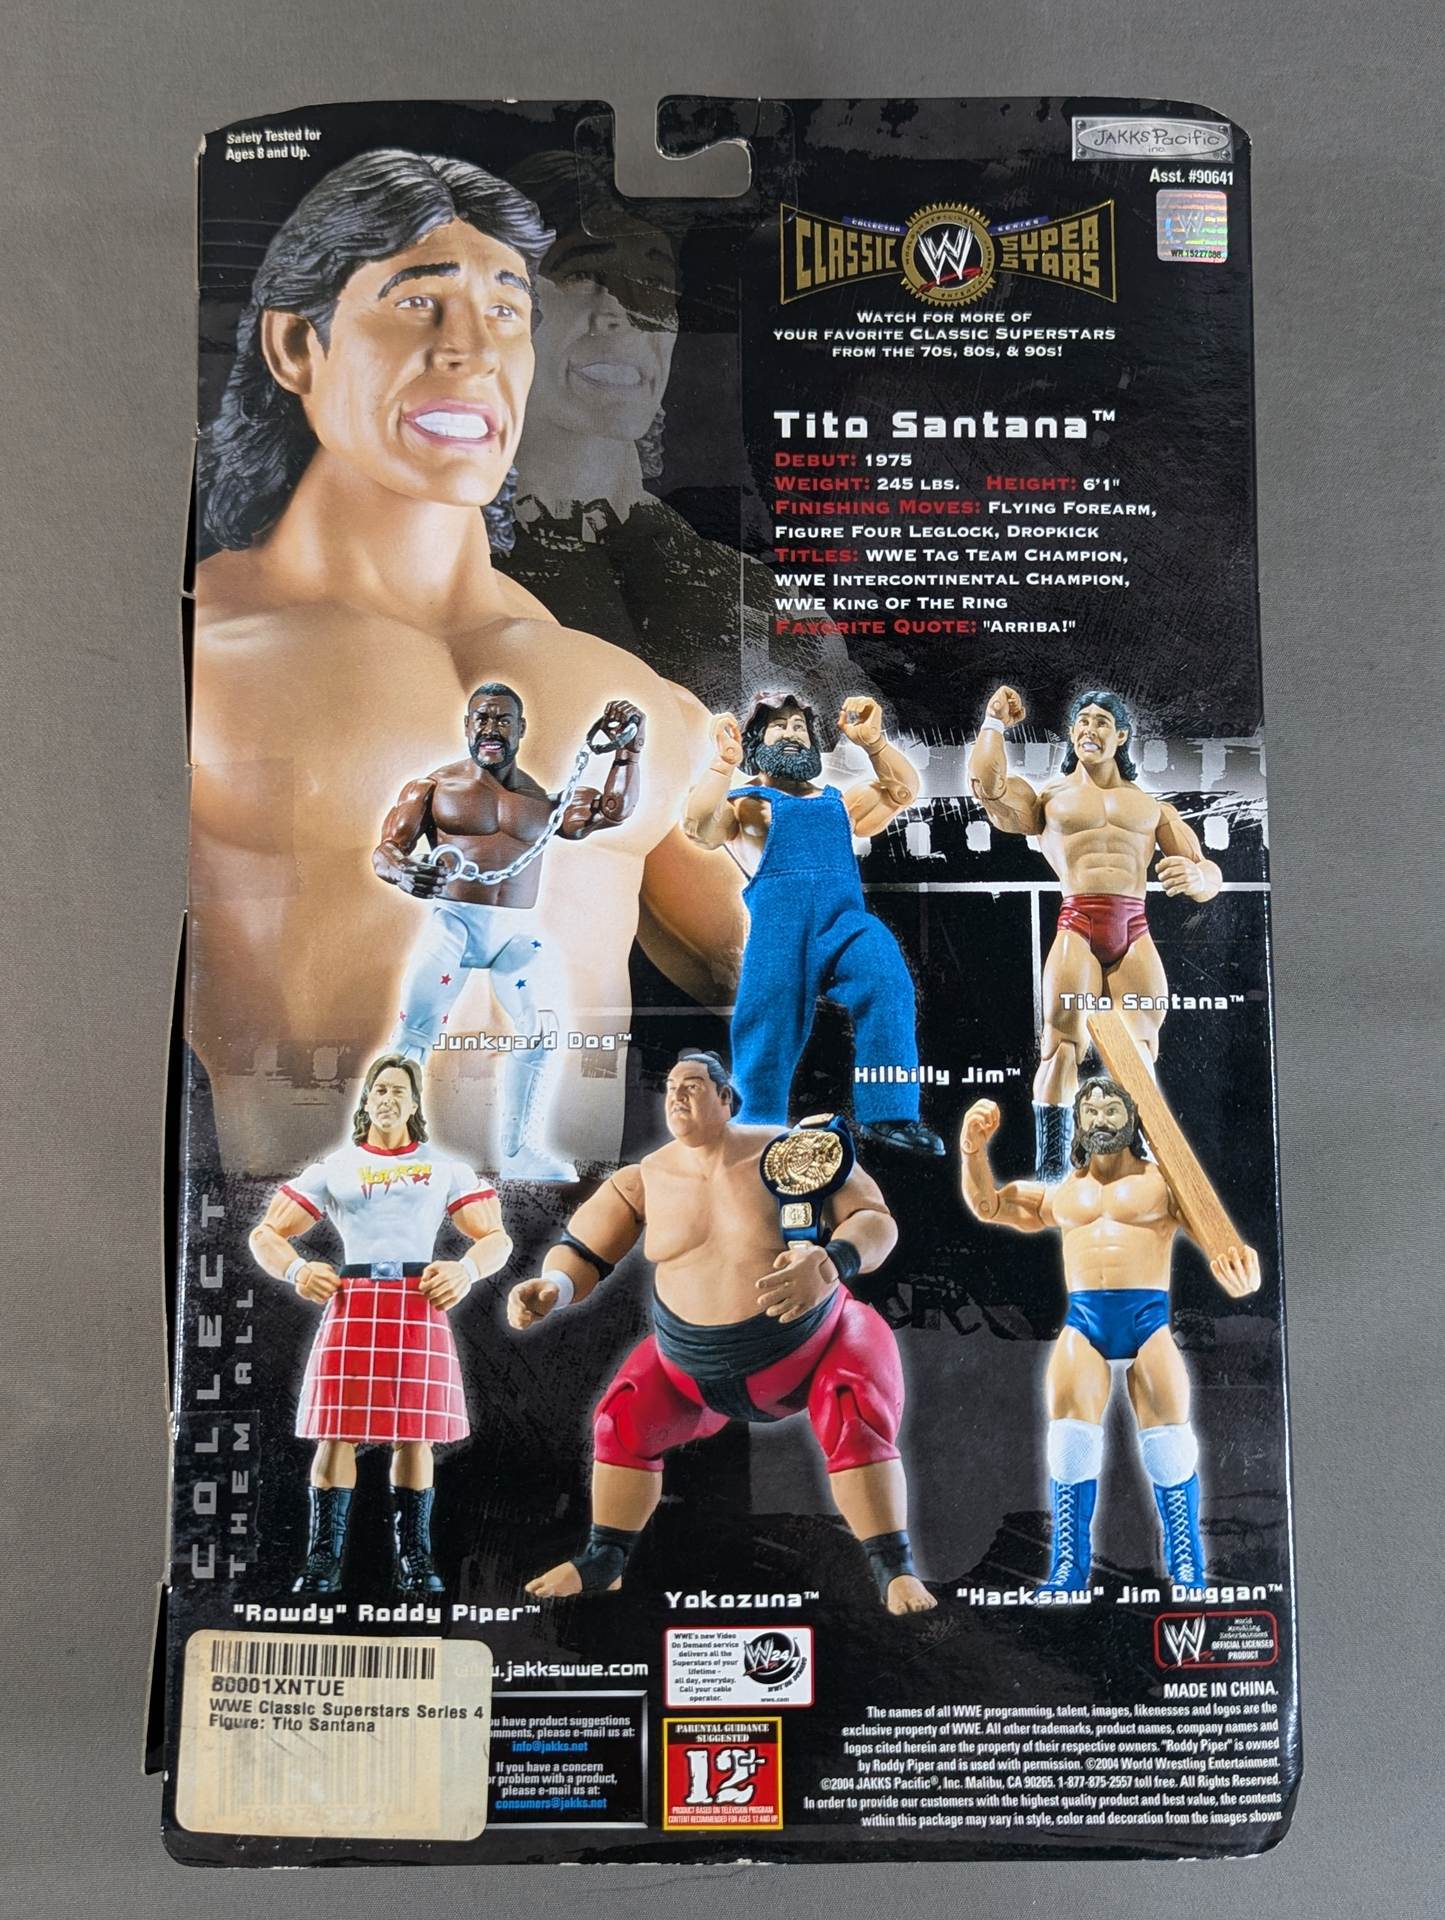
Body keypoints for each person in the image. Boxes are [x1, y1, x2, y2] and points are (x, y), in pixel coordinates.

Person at [192, 147, 746, 1169]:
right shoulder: (194, 666)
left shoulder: (625, 691)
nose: (471, 351)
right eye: (417, 303)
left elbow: (757, 967)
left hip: (581, 1247)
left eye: (506, 312)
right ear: (296, 345)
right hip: (318, 1235)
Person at [506, 1051, 936, 1614]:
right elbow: (584, 1248)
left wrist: (834, 1261)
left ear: (726, 1098)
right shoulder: (644, 1179)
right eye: (670, 1088)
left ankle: (893, 1570)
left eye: (692, 1086)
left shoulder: (792, 1150)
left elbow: (875, 1219)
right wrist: (553, 1288)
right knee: (621, 1418)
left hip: (811, 1347)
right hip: (689, 1365)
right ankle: (604, 1560)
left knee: (853, 1408)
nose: (678, 1097)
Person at [958, 1083, 1260, 1593]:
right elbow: (990, 1206)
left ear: (1133, 1117)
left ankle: (1187, 1564)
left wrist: (1241, 1272)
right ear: (1078, 1122)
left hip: (1147, 1322)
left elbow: (1219, 1240)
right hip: (1085, 1323)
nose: (1100, 1118)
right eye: (1091, 1110)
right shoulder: (1064, 1193)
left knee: (1170, 1446)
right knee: (1068, 1443)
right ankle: (1068, 1570)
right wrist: (972, 1152)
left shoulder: (1162, 1184)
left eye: (1112, 1108)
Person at [249, 1053, 512, 1594]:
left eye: (398, 1091)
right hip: (353, 1301)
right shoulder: (335, 1168)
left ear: (415, 1104)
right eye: (379, 1089)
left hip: (419, 1301)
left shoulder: (446, 1169)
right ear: (366, 1100)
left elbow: (496, 1238)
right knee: (334, 1433)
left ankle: (416, 1560)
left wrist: (464, 1271)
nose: (387, 1098)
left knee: (416, 1437)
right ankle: (322, 1561)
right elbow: (265, 1234)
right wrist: (298, 1270)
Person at [374, 684, 646, 1180]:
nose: (490, 729)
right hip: (453, 922)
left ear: (521, 729)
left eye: (502, 720)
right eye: (481, 718)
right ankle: (388, 1149)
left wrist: (629, 749)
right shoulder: (433, 788)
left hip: (515, 935)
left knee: (542, 1029)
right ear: (466, 726)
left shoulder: (541, 801)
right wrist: (403, 871)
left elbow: (613, 811)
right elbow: (386, 848)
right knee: (414, 1032)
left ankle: (519, 1153)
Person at [967, 684, 1223, 1178]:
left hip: (1134, 926)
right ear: (1071, 733)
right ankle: (1051, 1169)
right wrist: (994, 721)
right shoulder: (1050, 799)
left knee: (1141, 1047)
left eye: (1102, 721)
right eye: (1083, 721)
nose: (1090, 728)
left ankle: (1141, 1153)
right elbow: (988, 787)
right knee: (1062, 1045)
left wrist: (1197, 878)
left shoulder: (1151, 808)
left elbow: (1207, 871)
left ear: (1121, 735)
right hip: (1079, 923)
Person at [682, 692, 944, 1156]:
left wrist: (875, 743)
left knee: (887, 978)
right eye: (778, 726)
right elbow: (697, 826)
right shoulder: (745, 806)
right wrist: (722, 764)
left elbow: (903, 790)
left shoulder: (839, 802)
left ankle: (889, 1112)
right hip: (779, 934)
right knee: (767, 1029)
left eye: (799, 726)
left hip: (844, 925)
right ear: (756, 740)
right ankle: (754, 1129)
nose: (791, 734)